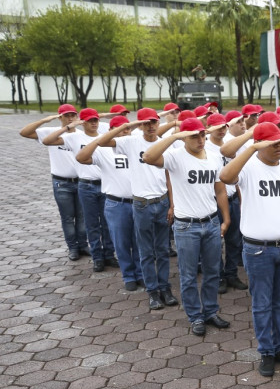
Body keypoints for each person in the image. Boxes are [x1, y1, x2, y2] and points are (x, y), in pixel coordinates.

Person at [220, 122, 280, 376]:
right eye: (273, 143)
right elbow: (225, 177)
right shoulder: (247, 168)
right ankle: (266, 351)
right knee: (261, 303)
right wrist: (252, 145)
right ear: (259, 145)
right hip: (258, 249)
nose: (279, 147)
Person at [143, 117, 231, 337]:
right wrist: (174, 136)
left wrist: (226, 218)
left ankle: (210, 311)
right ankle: (195, 316)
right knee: (189, 275)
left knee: (212, 272)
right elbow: (149, 157)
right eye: (194, 136)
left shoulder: (213, 157)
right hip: (186, 226)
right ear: (183, 138)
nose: (200, 139)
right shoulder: (174, 157)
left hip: (210, 222)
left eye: (202, 134)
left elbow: (220, 190)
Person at [96, 108, 178, 311]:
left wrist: (172, 203)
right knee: (146, 251)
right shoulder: (131, 142)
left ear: (158, 123)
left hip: (162, 202)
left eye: (154, 122)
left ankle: (165, 288)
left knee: (162, 250)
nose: (151, 126)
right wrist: (126, 126)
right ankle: (152, 291)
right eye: (146, 123)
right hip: (142, 203)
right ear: (139, 125)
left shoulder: (165, 142)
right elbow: (102, 142)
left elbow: (169, 175)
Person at [40, 108, 117, 272]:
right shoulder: (74, 137)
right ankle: (97, 257)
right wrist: (67, 127)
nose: (94, 123)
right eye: (90, 121)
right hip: (86, 185)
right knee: (91, 223)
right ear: (82, 122)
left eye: (96, 120)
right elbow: (47, 141)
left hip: (105, 184)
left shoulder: (105, 138)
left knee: (107, 222)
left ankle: (109, 254)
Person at [76, 116, 143, 290]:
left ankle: (140, 273)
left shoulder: (136, 147)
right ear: (111, 131)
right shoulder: (103, 150)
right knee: (121, 242)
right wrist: (99, 141)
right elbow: (81, 157)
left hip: (138, 202)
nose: (125, 131)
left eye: (128, 129)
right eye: (121, 128)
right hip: (116, 203)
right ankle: (128, 275)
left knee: (139, 241)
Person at [19, 105, 87, 260]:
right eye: (66, 115)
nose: (70, 118)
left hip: (81, 181)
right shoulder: (51, 132)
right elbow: (24, 132)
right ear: (60, 117)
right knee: (67, 217)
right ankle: (73, 248)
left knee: (82, 216)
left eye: (73, 115)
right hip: (62, 183)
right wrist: (44, 120)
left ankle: (83, 245)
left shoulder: (81, 135)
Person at [205, 114, 248, 294]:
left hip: (232, 197)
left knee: (234, 240)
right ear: (209, 128)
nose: (221, 130)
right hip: (213, 200)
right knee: (215, 242)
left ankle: (231, 273)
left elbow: (238, 175)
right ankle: (219, 276)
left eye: (224, 126)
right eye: (217, 127)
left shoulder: (231, 143)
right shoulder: (205, 145)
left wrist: (241, 200)